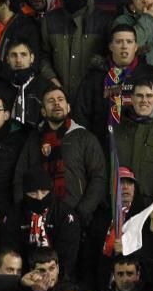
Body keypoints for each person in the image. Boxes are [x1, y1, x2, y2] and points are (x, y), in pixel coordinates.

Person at [14, 85, 106, 225]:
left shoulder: (84, 137)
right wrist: (23, 210)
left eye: (60, 99)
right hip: (37, 219)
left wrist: (82, 211)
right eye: (50, 101)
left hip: (74, 217)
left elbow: (98, 177)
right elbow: (20, 176)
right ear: (43, 112)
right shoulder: (34, 140)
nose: (56, 103)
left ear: (68, 107)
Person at [73, 24, 153, 140]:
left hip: (142, 147)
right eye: (119, 42)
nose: (124, 46)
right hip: (102, 147)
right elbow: (81, 116)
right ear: (110, 46)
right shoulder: (95, 78)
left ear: (136, 46)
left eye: (129, 42)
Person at [38, 0, 112, 101]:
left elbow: (113, 58)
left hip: (93, 100)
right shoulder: (50, 20)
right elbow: (42, 56)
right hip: (58, 99)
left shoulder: (103, 20)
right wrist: (52, 80)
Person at [1, 169, 79, 274]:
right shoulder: (15, 214)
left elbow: (68, 256)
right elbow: (10, 250)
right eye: (33, 193)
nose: (39, 197)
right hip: (24, 275)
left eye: (44, 192)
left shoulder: (65, 215)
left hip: (58, 276)